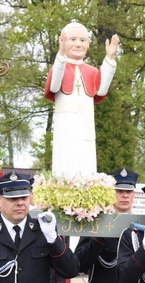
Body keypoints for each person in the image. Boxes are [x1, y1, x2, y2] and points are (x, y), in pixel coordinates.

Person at [44, 21, 119, 177]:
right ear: (62, 41)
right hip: (65, 124)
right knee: (64, 159)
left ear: (88, 44)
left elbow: (101, 90)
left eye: (82, 40)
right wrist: (61, 56)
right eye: (72, 39)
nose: (78, 44)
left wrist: (109, 60)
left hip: (86, 124)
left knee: (86, 160)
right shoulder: (60, 65)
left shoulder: (91, 71)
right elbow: (54, 87)